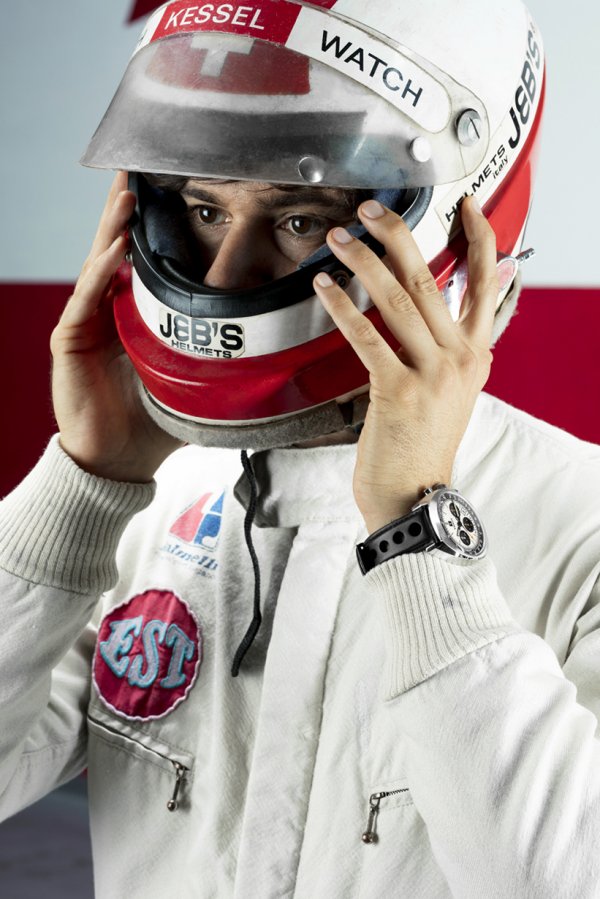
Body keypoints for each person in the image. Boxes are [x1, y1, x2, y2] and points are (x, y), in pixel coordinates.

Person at [1, 1, 600, 896]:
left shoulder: (580, 525)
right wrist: (86, 484)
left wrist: (416, 535)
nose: (220, 274)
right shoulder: (153, 505)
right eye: (204, 208)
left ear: (455, 232)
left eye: (301, 219)